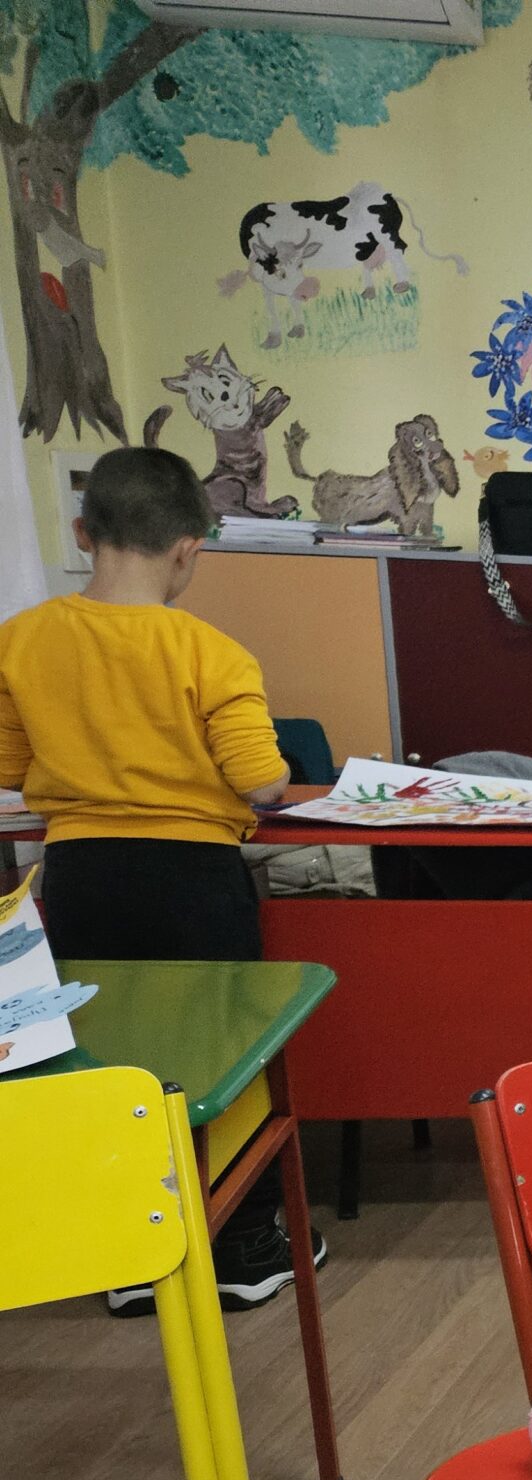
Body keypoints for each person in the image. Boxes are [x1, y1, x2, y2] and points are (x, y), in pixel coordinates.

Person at [0, 446, 316, 1315]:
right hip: (192, 876)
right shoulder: (210, 650)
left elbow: (8, 767)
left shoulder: (20, 642)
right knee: (227, 1049)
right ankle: (244, 1247)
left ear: (82, 533)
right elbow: (261, 782)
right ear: (188, 549)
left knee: (107, 1056)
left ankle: (133, 1257)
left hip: (82, 875)